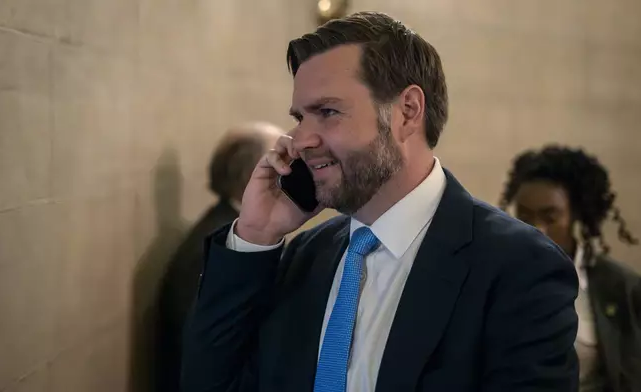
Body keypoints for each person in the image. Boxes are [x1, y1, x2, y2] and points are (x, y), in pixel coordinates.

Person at [182, 12, 579, 392]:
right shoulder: (305, 257)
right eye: (300, 116)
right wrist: (256, 234)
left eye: (327, 111)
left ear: (407, 112)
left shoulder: (519, 268)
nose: (301, 139)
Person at [499, 145, 641, 392]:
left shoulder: (620, 288)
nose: (536, 230)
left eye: (550, 217)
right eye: (524, 216)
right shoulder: (490, 276)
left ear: (575, 216)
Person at [156, 122, 283, 392]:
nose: (291, 171)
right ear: (252, 175)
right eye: (280, 161)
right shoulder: (216, 246)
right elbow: (201, 354)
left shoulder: (232, 229)